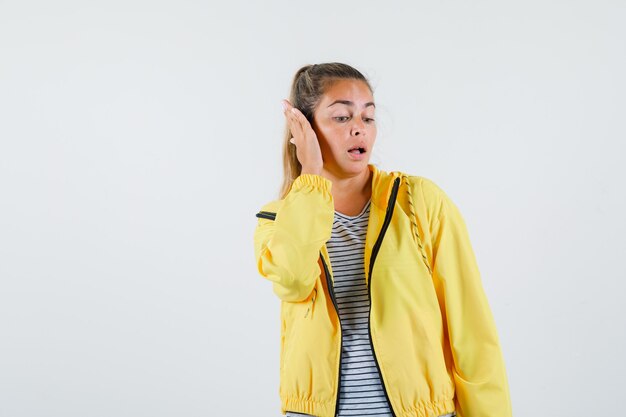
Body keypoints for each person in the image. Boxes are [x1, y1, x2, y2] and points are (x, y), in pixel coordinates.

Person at [253, 62, 512, 417]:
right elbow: (293, 282)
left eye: (368, 118)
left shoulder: (419, 202)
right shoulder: (278, 218)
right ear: (305, 129)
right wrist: (310, 178)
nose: (359, 129)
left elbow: (472, 331)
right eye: (342, 117)